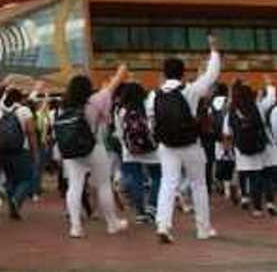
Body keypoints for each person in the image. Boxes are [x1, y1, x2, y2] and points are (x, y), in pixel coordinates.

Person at [148, 33, 221, 244]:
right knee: (199, 184)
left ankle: (163, 224)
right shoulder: (189, 90)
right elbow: (211, 76)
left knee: (167, 183)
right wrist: (214, 50)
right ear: (182, 74)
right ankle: (203, 229)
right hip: (190, 144)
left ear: (164, 73)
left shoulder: (155, 94)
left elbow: (152, 120)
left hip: (167, 145)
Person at [58, 65, 129, 238]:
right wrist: (120, 71)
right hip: (94, 147)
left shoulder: (63, 106)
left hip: (71, 151)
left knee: (74, 186)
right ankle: (112, 223)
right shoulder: (96, 100)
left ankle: (75, 227)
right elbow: (113, 85)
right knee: (104, 185)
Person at [221, 80, 274, 216]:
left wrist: (227, 148)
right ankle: (259, 207)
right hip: (257, 147)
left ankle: (244, 197)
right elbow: (270, 100)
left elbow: (227, 132)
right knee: (258, 177)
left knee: (244, 174)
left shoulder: (232, 110)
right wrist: (269, 84)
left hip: (241, 148)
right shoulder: (257, 106)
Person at [115, 82, 161, 225]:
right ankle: (152, 207)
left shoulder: (120, 111)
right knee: (158, 176)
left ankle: (140, 212)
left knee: (136, 179)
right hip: (152, 149)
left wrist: (127, 145)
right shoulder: (148, 106)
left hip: (130, 151)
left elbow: (119, 133)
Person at [0, 83, 40, 220]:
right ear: (19, 99)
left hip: (4, 151)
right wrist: (35, 152)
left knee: (11, 179)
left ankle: (12, 207)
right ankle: (16, 200)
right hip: (21, 150)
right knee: (27, 178)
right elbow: (31, 133)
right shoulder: (24, 111)